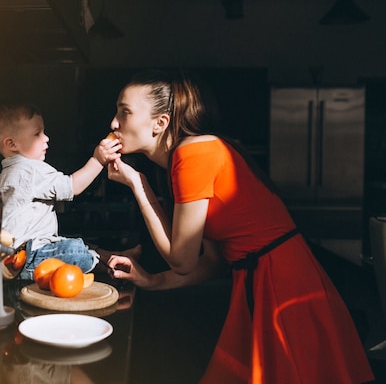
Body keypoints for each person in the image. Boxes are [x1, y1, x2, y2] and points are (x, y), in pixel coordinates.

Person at [105, 69, 374, 384]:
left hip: (282, 285)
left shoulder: (192, 153)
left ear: (160, 123)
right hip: (268, 279)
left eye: (124, 112)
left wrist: (138, 183)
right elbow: (213, 262)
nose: (113, 123)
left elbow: (182, 259)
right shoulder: (189, 156)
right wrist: (151, 280)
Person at [0, 102, 140, 280]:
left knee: (75, 242)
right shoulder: (30, 169)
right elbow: (72, 186)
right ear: (11, 144)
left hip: (10, 257)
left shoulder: (5, 175)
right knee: (74, 250)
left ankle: (116, 255)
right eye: (37, 134)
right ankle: (109, 266)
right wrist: (98, 160)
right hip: (29, 257)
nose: (46, 138)